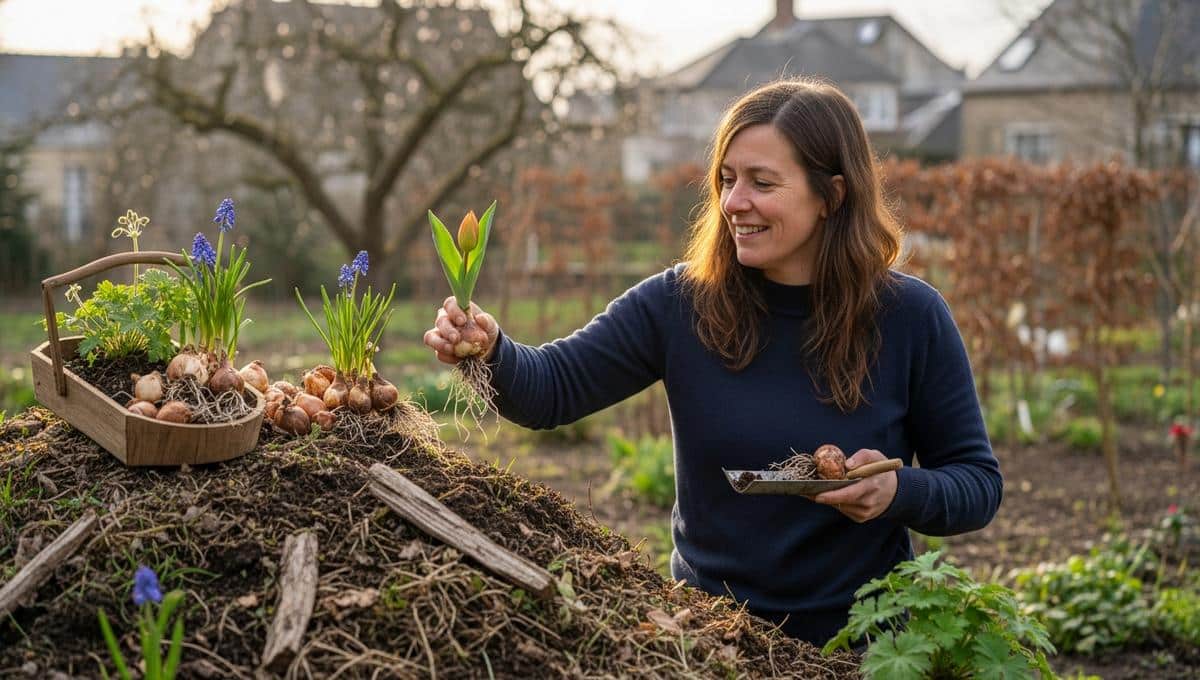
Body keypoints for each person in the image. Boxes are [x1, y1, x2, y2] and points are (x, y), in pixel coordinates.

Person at [423, 77, 1002, 645]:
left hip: (863, 647)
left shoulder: (910, 316)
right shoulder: (680, 303)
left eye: (762, 183)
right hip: (713, 641)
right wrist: (493, 349)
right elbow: (551, 390)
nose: (733, 202)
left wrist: (897, 492)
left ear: (832, 196)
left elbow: (977, 484)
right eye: (726, 180)